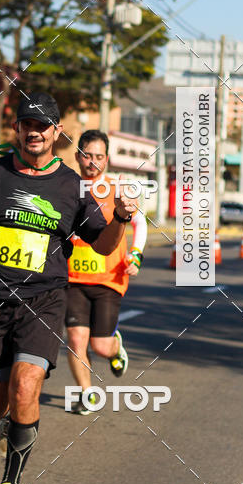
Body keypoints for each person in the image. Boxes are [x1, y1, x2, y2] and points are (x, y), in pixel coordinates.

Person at [0, 92, 138, 484]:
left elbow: (102, 245)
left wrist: (120, 217)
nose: (35, 132)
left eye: (43, 126)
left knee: (26, 386)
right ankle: (12, 421)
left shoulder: (71, 187)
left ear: (56, 132)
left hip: (43, 302)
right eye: (28, 124)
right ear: (17, 129)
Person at [65, 130, 147, 414]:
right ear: (77, 156)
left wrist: (136, 254)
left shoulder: (116, 189)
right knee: (76, 338)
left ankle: (114, 348)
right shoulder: (66, 187)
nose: (93, 162)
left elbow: (140, 223)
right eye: (87, 155)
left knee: (100, 345)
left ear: (107, 159)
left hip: (109, 279)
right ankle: (87, 394)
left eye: (99, 156)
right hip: (72, 279)